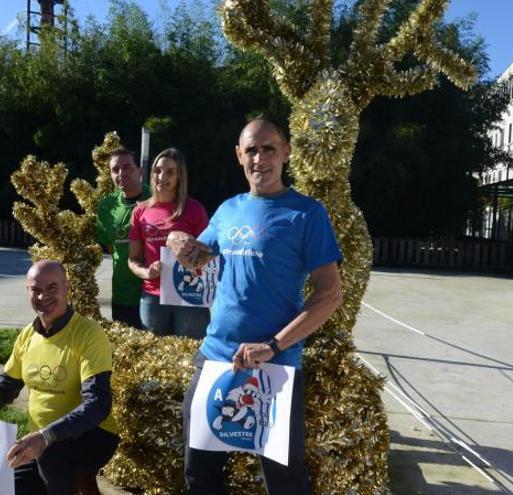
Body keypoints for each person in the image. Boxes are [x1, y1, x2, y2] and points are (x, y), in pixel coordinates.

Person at [167, 117, 343, 494]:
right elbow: (196, 258)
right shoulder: (228, 210)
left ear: (286, 152)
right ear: (238, 155)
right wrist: (177, 240)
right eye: (251, 149)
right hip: (216, 358)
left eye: (268, 148)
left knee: (284, 480)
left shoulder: (307, 213)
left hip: (274, 366)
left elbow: (330, 295)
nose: (259, 158)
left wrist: (274, 346)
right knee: (199, 471)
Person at [0, 260, 119, 495]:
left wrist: (46, 436)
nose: (43, 297)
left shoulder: (88, 333)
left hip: (93, 435)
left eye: (52, 288)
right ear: (28, 291)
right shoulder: (28, 335)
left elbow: (98, 405)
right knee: (6, 482)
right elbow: (4, 387)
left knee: (52, 457)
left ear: (67, 287)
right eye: (36, 290)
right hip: (41, 439)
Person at [127, 147, 211, 338]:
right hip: (153, 296)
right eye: (157, 170)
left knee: (189, 356)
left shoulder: (195, 210)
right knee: (154, 358)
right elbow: (133, 260)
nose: (161, 177)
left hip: (189, 297)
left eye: (170, 172)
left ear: (180, 176)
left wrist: (191, 254)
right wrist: (147, 272)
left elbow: (209, 255)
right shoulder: (140, 211)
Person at [96, 148, 150, 328]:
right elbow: (112, 249)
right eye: (115, 169)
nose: (121, 173)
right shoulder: (106, 207)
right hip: (123, 295)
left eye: (127, 168)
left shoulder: (157, 199)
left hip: (155, 294)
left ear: (140, 171)